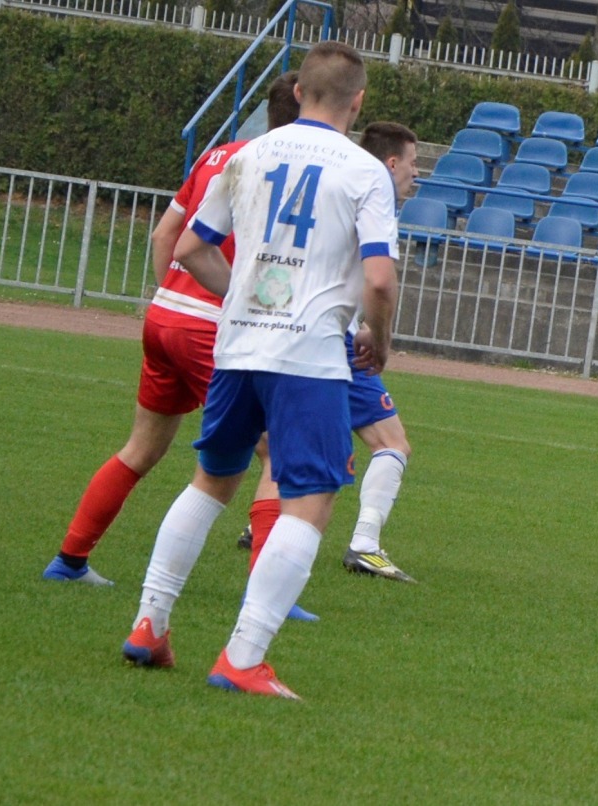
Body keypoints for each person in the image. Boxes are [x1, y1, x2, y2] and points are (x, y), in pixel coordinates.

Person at [119, 43, 400, 700]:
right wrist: (377, 341)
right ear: (357, 102)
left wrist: (248, 294)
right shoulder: (363, 170)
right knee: (311, 498)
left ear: (298, 91)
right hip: (309, 357)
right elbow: (380, 279)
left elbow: (191, 249)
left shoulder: (245, 154)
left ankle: (149, 625)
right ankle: (244, 656)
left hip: (238, 345)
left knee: (210, 482)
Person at [41, 72, 302, 586]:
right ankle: (270, 594)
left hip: (166, 314)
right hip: (209, 324)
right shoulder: (283, 166)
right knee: (277, 448)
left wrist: (172, 299)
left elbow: (165, 234)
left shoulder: (216, 155)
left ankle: (69, 561)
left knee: (142, 448)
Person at [238, 120, 424, 587]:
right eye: (414, 164)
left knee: (275, 438)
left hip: (276, 327)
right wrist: (375, 334)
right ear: (392, 163)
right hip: (330, 338)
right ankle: (364, 544)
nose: (417, 175)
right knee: (390, 443)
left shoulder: (330, 183)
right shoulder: (370, 193)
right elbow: (377, 279)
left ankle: (266, 522)